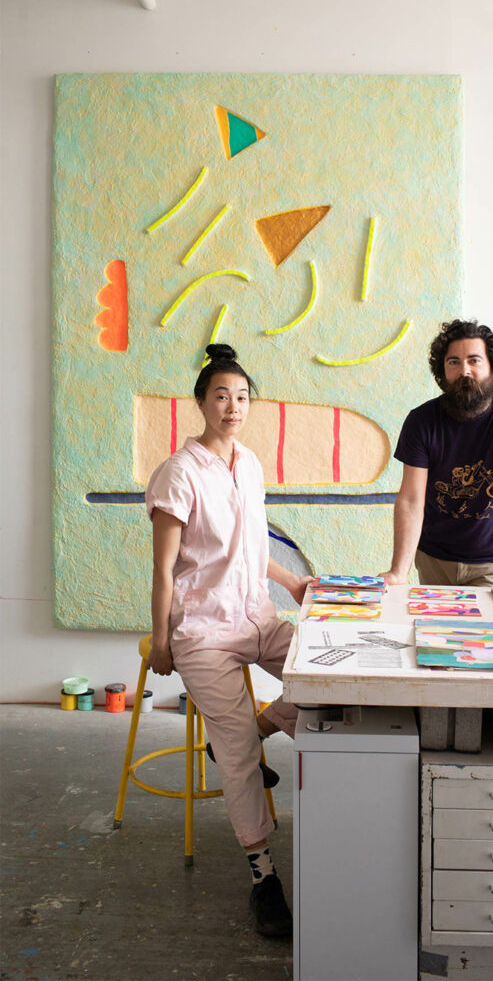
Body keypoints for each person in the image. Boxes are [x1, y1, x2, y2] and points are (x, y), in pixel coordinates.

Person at [145, 343, 312, 937]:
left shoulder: (250, 463)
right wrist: (162, 638)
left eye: (242, 397)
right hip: (203, 631)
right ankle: (264, 877)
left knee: (336, 672)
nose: (232, 406)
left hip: (256, 616)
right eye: (221, 396)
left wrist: (293, 580)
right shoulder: (179, 473)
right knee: (239, 752)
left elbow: (251, 546)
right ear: (200, 403)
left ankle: (261, 723)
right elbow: (165, 568)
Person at [384, 319, 493, 590]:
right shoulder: (421, 421)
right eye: (453, 362)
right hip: (432, 559)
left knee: (487, 633)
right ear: (442, 370)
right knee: (433, 632)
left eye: (474, 361)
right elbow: (411, 499)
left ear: (492, 367)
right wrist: (398, 573)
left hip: (490, 563)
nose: (464, 370)